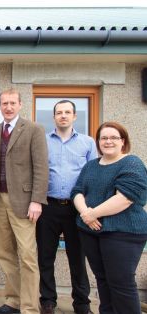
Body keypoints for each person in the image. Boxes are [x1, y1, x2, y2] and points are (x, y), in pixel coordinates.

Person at [0, 88, 48, 314]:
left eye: (12, 103)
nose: (8, 107)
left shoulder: (34, 130)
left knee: (28, 256)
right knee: (5, 253)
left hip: (24, 201)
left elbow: (41, 167)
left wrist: (37, 200)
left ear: (20, 105)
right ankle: (13, 301)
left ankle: (29, 308)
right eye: (4, 103)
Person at [71, 121, 147, 314]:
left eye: (114, 137)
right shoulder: (91, 166)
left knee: (121, 282)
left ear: (123, 141)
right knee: (102, 280)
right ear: (98, 142)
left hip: (123, 232)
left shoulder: (132, 163)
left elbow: (125, 198)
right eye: (104, 138)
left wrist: (91, 214)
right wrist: (85, 214)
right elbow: (77, 191)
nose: (108, 141)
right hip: (90, 231)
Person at [36, 100, 97, 314]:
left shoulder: (88, 143)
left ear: (74, 116)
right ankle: (48, 301)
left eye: (67, 112)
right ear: (54, 117)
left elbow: (93, 175)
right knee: (45, 256)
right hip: (48, 207)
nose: (63, 115)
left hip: (76, 209)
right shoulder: (42, 142)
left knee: (77, 258)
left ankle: (82, 304)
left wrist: (90, 208)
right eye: (59, 112)